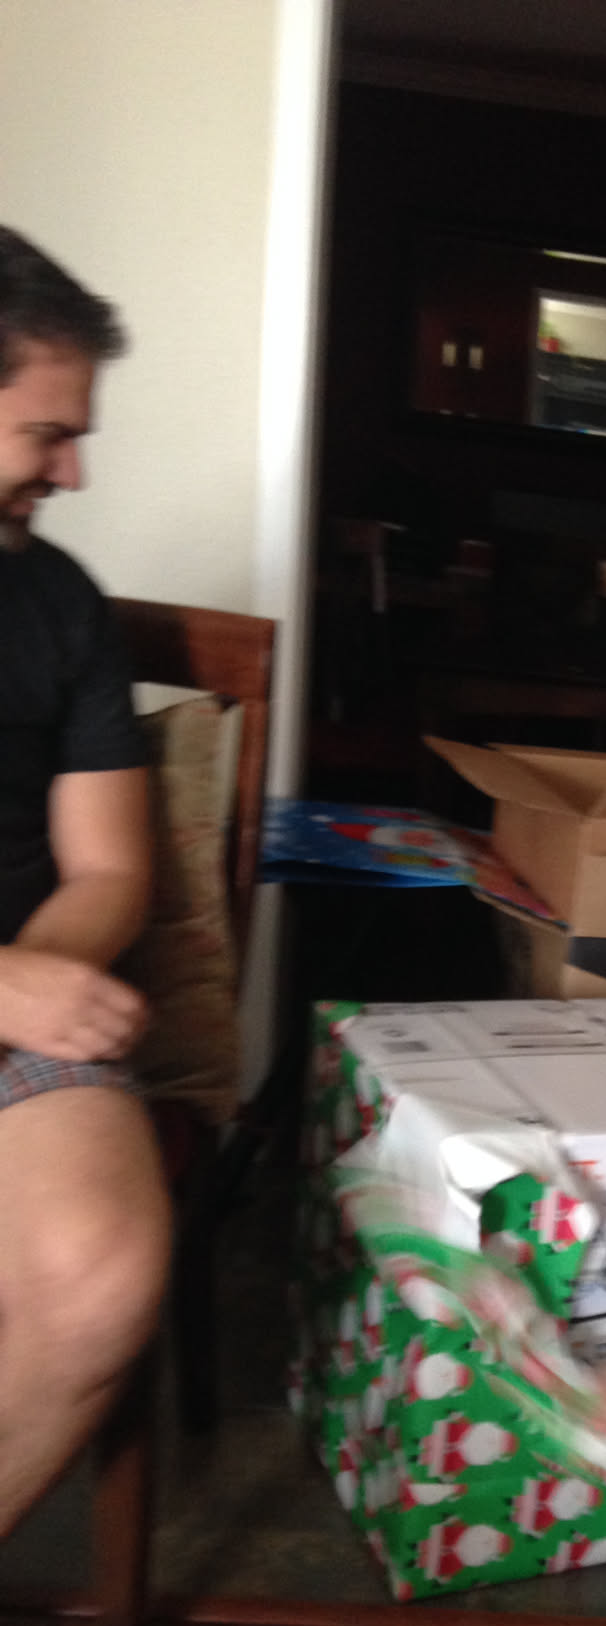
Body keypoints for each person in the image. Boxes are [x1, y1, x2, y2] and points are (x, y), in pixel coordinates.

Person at [0, 227, 168, 1538]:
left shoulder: (61, 603)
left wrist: (30, 988)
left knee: (103, 1270)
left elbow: (111, 867)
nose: (74, 472)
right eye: (47, 436)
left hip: (32, 1008)